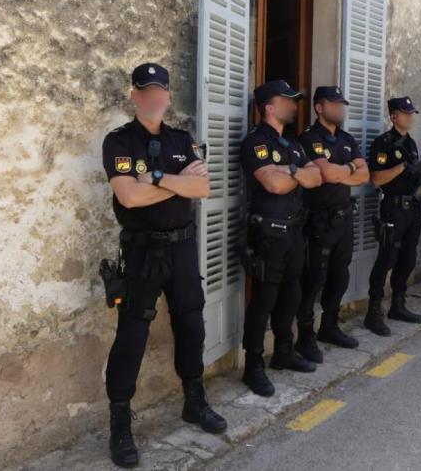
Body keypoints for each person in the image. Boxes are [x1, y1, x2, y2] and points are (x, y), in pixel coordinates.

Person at [101, 62, 226, 468]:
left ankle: (194, 401)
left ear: (168, 96)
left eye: (160, 90)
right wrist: (175, 181)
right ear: (134, 96)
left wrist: (153, 178)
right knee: (132, 335)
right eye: (146, 90)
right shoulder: (119, 142)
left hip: (182, 248)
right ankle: (120, 423)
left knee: (191, 325)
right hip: (142, 252)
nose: (154, 97)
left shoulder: (181, 139)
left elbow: (202, 187)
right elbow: (129, 197)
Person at [239, 79, 323, 396]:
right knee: (264, 299)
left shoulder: (293, 145)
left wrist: (290, 171)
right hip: (268, 233)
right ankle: (253, 366)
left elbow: (318, 177)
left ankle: (283, 352)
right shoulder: (256, 142)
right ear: (270, 107)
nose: (294, 105)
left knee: (292, 294)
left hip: (294, 231)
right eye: (288, 100)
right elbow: (273, 185)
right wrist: (297, 173)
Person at [294, 86, 369, 363]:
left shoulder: (347, 139)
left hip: (343, 218)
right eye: (335, 104)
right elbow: (325, 174)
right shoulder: (308, 137)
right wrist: (349, 168)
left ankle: (329, 326)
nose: (340, 108)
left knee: (340, 276)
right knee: (313, 279)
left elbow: (365, 175)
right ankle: (305, 336)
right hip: (318, 220)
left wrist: (342, 172)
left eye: (342, 104)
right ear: (319, 107)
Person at [364, 96, 421, 337]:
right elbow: (376, 179)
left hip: (413, 209)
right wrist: (401, 167)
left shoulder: (411, 143)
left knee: (408, 259)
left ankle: (398, 305)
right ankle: (373, 312)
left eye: (411, 113)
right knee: (386, 259)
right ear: (393, 116)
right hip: (393, 208)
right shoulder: (384, 143)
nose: (410, 117)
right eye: (405, 113)